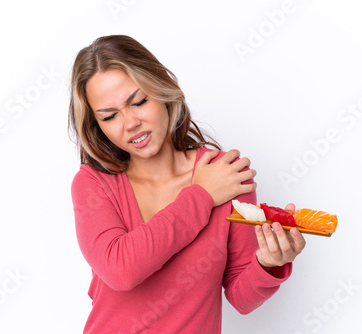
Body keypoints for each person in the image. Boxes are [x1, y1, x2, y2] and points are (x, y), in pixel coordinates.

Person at [69, 35, 306, 334]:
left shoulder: (226, 174)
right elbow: (121, 271)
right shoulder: (93, 183)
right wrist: (202, 196)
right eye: (110, 116)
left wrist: (269, 263)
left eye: (139, 101)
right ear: (97, 126)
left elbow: (241, 298)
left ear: (163, 90)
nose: (130, 123)